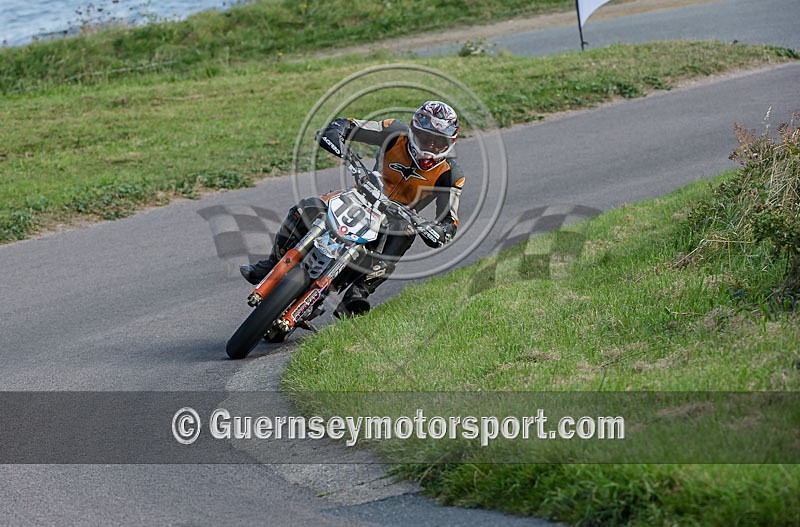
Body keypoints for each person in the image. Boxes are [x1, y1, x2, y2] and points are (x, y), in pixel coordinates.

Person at [239, 100, 465, 317]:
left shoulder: (451, 174)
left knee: (405, 233)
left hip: (396, 218)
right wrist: (337, 139)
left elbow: (450, 222)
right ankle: (271, 264)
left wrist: (435, 230)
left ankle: (357, 294)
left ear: (450, 143)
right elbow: (346, 125)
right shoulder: (394, 131)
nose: (430, 147)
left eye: (439, 142)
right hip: (361, 195)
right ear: (414, 130)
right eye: (426, 138)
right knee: (307, 207)